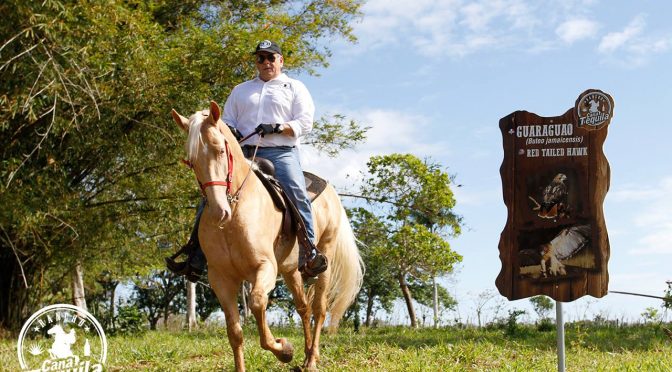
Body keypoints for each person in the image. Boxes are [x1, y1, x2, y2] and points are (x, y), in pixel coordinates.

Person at [166, 40, 327, 282]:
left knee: (295, 190)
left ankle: (308, 252)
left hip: (281, 152)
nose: (265, 63)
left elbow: (305, 122)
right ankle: (195, 256)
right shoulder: (241, 90)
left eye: (271, 57)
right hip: (242, 153)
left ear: (281, 61)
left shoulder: (294, 87)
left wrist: (279, 127)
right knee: (211, 193)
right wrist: (233, 131)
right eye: (260, 58)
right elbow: (226, 120)